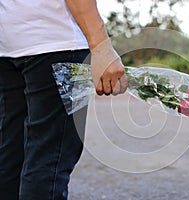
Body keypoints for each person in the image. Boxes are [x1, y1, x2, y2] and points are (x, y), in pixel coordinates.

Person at [0, 0, 128, 199]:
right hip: (57, 44)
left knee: (10, 159)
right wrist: (101, 47)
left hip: (7, 47)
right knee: (48, 162)